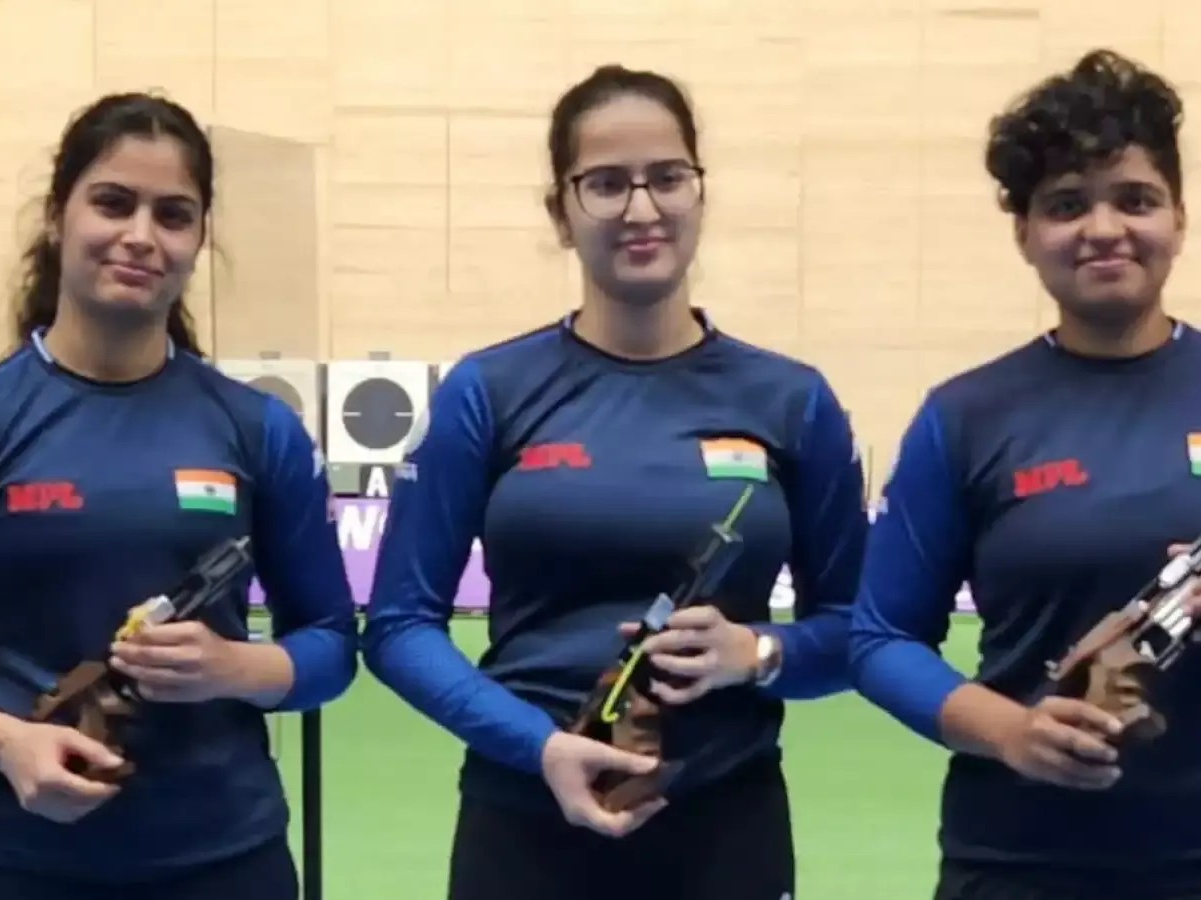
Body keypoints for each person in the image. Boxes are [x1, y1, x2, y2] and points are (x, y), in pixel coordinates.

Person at [849, 48, 1201, 900]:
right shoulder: (964, 415)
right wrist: (1010, 731)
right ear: (1024, 233)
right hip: (1021, 864)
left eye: (1135, 198)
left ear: (1179, 217)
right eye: (1066, 204)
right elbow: (880, 640)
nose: (1103, 228)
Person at [362, 64, 867, 900]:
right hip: (522, 826)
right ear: (560, 213)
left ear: (700, 193)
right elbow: (397, 627)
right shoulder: (487, 392)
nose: (641, 209)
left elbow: (861, 632)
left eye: (667, 178)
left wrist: (759, 653)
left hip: (725, 830)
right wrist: (535, 745)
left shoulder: (793, 400)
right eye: (605, 184)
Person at [0, 92, 358, 900]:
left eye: (173, 215)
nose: (141, 235)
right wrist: (3, 742)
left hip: (227, 863)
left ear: (198, 240)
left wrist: (235, 667)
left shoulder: (260, 431)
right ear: (56, 216)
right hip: (14, 865)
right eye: (112, 203)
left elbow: (332, 646)